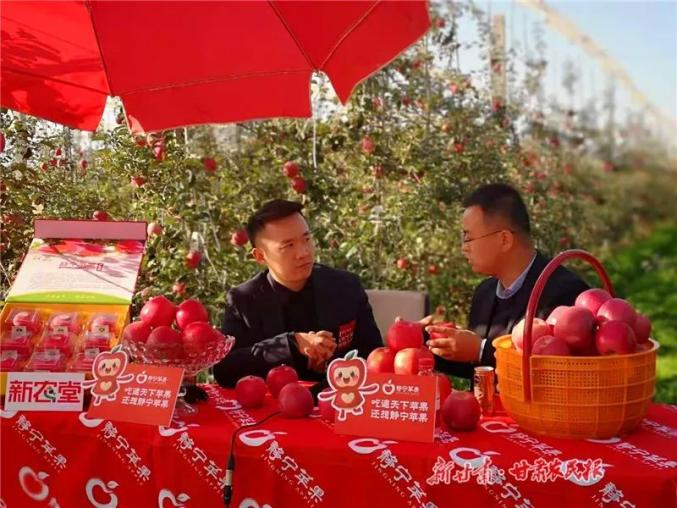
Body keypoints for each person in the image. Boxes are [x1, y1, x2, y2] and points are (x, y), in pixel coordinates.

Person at [425, 183, 589, 379]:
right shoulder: (484, 293)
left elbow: (550, 373)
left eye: (468, 238)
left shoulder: (564, 293)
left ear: (504, 240)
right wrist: (427, 343)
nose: (464, 248)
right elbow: (478, 369)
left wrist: (481, 350)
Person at [213, 199, 382, 387]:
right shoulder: (244, 300)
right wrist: (291, 344)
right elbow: (224, 370)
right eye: (288, 246)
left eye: (307, 239)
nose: (303, 252)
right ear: (260, 256)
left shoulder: (345, 287)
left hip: (341, 403)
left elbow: (374, 355)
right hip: (273, 408)